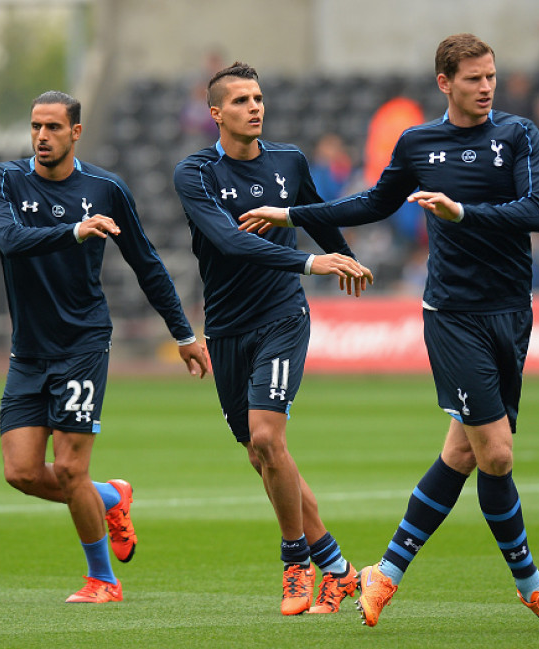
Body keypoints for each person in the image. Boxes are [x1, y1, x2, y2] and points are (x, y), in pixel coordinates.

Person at [239, 34, 539, 631]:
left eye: (492, 77)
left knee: (461, 452)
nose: (487, 88)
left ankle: (384, 573)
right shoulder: (419, 142)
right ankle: (532, 586)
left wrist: (463, 213)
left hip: (512, 311)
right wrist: (294, 215)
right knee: (496, 455)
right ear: (444, 83)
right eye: (474, 79)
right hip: (452, 316)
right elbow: (374, 202)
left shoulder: (517, 135)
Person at [0, 90, 209, 603]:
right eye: (36, 126)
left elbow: (147, 264)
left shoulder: (106, 189)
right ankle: (111, 495)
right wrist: (74, 231)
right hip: (29, 351)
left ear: (76, 133)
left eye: (54, 128)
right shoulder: (3, 179)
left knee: (68, 470)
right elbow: (9, 239)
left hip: (82, 343)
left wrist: (183, 335)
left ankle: (103, 580)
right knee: (19, 472)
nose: (42, 136)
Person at [173, 62, 373, 616]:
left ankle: (295, 565)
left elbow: (316, 215)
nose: (255, 107)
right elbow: (229, 243)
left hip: (282, 317)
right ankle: (339, 570)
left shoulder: (289, 161)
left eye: (258, 97)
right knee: (264, 457)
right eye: (240, 100)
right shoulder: (195, 174)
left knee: (267, 437)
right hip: (227, 328)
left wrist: (347, 259)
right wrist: (313, 260)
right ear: (216, 113)